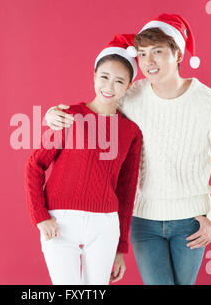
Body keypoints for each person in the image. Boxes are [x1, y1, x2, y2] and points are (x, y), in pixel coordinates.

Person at [44, 14, 211, 285]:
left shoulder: (210, 103)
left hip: (191, 220)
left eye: (158, 52)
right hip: (144, 220)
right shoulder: (132, 96)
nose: (149, 62)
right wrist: (53, 115)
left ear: (178, 54)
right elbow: (97, 107)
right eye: (143, 53)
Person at [25, 34, 143, 285]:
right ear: (93, 75)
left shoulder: (131, 132)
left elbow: (126, 190)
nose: (110, 87)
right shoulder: (68, 116)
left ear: (129, 86)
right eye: (104, 77)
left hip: (105, 226)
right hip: (59, 223)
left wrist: (121, 249)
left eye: (119, 81)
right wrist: (40, 216)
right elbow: (34, 165)